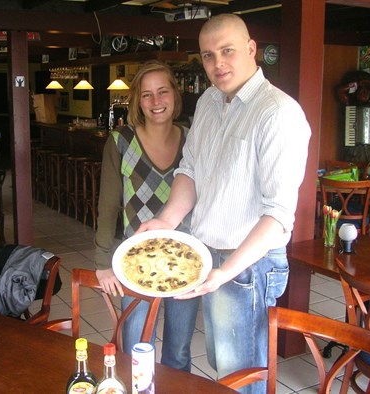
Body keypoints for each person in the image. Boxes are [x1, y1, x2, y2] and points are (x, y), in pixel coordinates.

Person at [136, 14, 311, 393]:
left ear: (251, 50)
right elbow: (191, 170)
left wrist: (225, 271)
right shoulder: (209, 102)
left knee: (240, 374)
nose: (218, 64)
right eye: (208, 55)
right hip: (210, 254)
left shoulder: (278, 113)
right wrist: (167, 219)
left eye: (227, 51)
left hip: (248, 265)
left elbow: (279, 216)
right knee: (222, 364)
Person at [94, 60, 200, 371]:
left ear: (175, 95)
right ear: (137, 101)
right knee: (137, 349)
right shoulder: (121, 142)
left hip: (185, 261)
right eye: (147, 95)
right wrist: (102, 262)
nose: (156, 102)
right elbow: (107, 205)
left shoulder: (192, 139)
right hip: (135, 262)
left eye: (163, 92)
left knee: (178, 352)